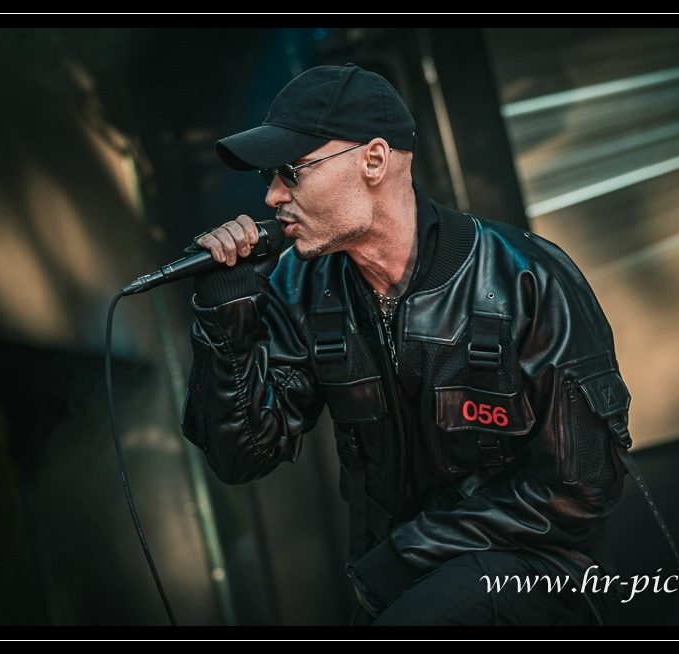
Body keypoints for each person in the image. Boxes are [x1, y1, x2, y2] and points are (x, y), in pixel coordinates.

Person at [180, 62, 634, 626]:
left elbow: (583, 487)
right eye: (269, 177)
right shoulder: (300, 286)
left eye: (291, 172)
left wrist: (407, 553)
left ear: (374, 159)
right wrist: (222, 312)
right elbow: (243, 455)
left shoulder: (526, 278)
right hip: (400, 582)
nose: (272, 195)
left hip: (538, 566)